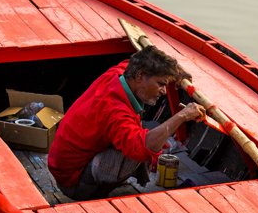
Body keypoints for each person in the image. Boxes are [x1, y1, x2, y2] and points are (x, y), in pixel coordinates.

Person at [47, 46, 206, 201]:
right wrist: (182, 115)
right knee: (138, 153)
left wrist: (177, 72)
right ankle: (95, 195)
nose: (164, 91)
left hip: (64, 165)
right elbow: (143, 147)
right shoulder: (115, 110)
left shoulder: (120, 73)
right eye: (160, 84)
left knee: (146, 139)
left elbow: (132, 60)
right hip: (73, 183)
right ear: (139, 76)